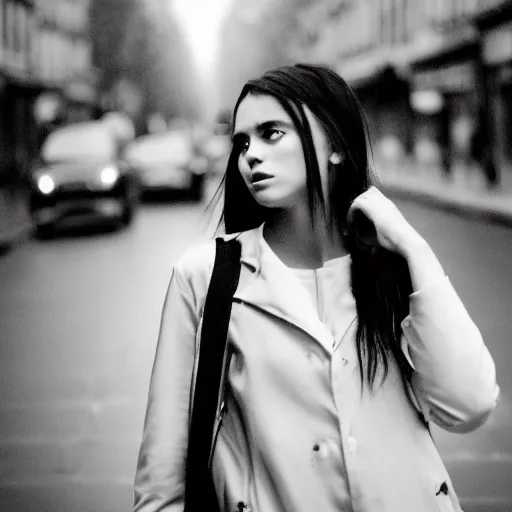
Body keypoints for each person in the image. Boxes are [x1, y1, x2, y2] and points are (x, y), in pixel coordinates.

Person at [133, 64, 499, 512]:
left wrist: (414, 248)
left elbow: (469, 405)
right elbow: (162, 483)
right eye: (242, 142)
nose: (250, 154)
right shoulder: (206, 276)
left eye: (272, 133)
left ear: (335, 147)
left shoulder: (392, 265)